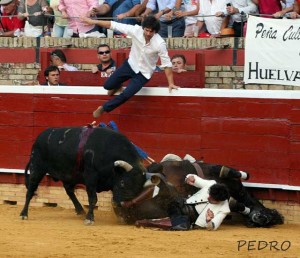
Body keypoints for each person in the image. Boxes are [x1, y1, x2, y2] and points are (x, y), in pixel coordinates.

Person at [80, 15, 179, 118]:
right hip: (130, 64)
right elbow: (113, 25)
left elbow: (167, 64)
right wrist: (93, 21)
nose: (148, 33)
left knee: (127, 94)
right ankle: (118, 86)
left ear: (155, 32)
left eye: (151, 31)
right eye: (147, 30)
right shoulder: (136, 30)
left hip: (144, 74)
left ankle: (104, 108)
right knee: (107, 86)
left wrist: (171, 83)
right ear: (143, 28)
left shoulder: (159, 43)